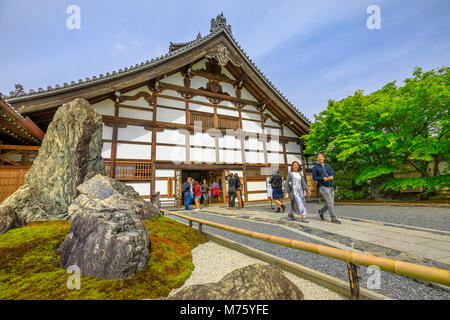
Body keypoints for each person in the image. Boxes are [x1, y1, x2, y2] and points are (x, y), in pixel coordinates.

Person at [312, 152, 341, 224]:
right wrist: (322, 178)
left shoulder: (328, 166)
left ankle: (321, 211)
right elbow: (314, 177)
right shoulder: (315, 167)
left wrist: (332, 176)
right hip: (322, 186)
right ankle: (333, 218)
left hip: (330, 185)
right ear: (317, 159)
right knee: (330, 202)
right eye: (318, 157)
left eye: (321, 157)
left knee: (331, 202)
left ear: (324, 158)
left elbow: (332, 173)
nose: (319, 158)